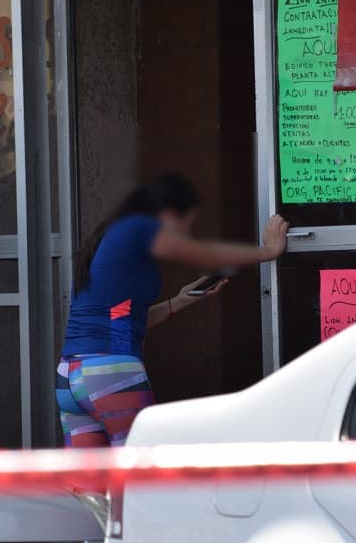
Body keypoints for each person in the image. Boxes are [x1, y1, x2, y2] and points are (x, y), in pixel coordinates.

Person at [56, 174, 289, 448]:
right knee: (142, 474)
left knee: (87, 486)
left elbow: (122, 319)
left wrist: (179, 301)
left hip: (71, 377)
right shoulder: (138, 228)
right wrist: (269, 250)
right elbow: (204, 254)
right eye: (185, 220)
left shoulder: (107, 245)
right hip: (111, 375)